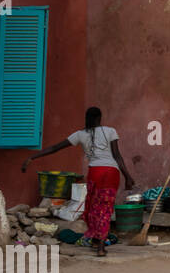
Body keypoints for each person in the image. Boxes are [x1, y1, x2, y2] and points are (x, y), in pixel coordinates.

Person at [21, 107, 135, 256]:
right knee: (105, 208)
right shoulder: (110, 131)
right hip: (111, 172)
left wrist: (32, 157)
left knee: (93, 208)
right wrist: (128, 176)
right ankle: (100, 245)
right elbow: (117, 156)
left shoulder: (80, 135)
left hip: (95, 173)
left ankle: (96, 241)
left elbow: (55, 148)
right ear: (99, 118)